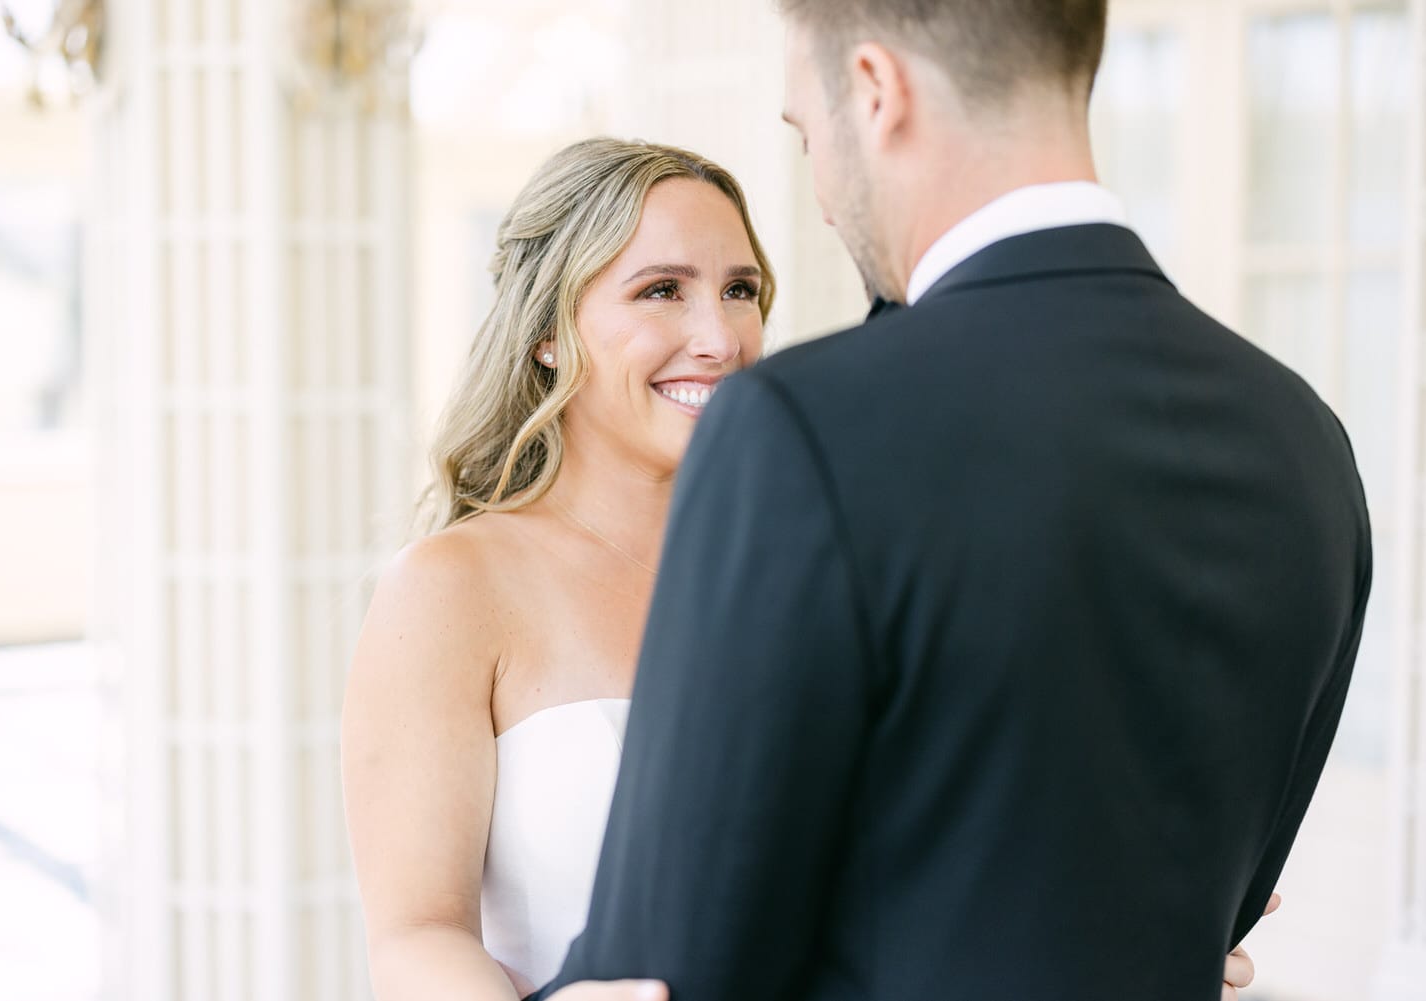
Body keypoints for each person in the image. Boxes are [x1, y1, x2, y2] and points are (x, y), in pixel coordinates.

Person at [527, 3, 1372, 1001]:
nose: (827, 205)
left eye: (807, 134)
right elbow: (1215, 923)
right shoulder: (1307, 442)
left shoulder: (800, 428)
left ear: (878, 92)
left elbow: (662, 975)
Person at [341, 138, 774, 1001]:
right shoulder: (451, 588)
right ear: (547, 333)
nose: (719, 338)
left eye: (741, 290)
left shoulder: (796, 563)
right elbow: (416, 934)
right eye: (662, 291)